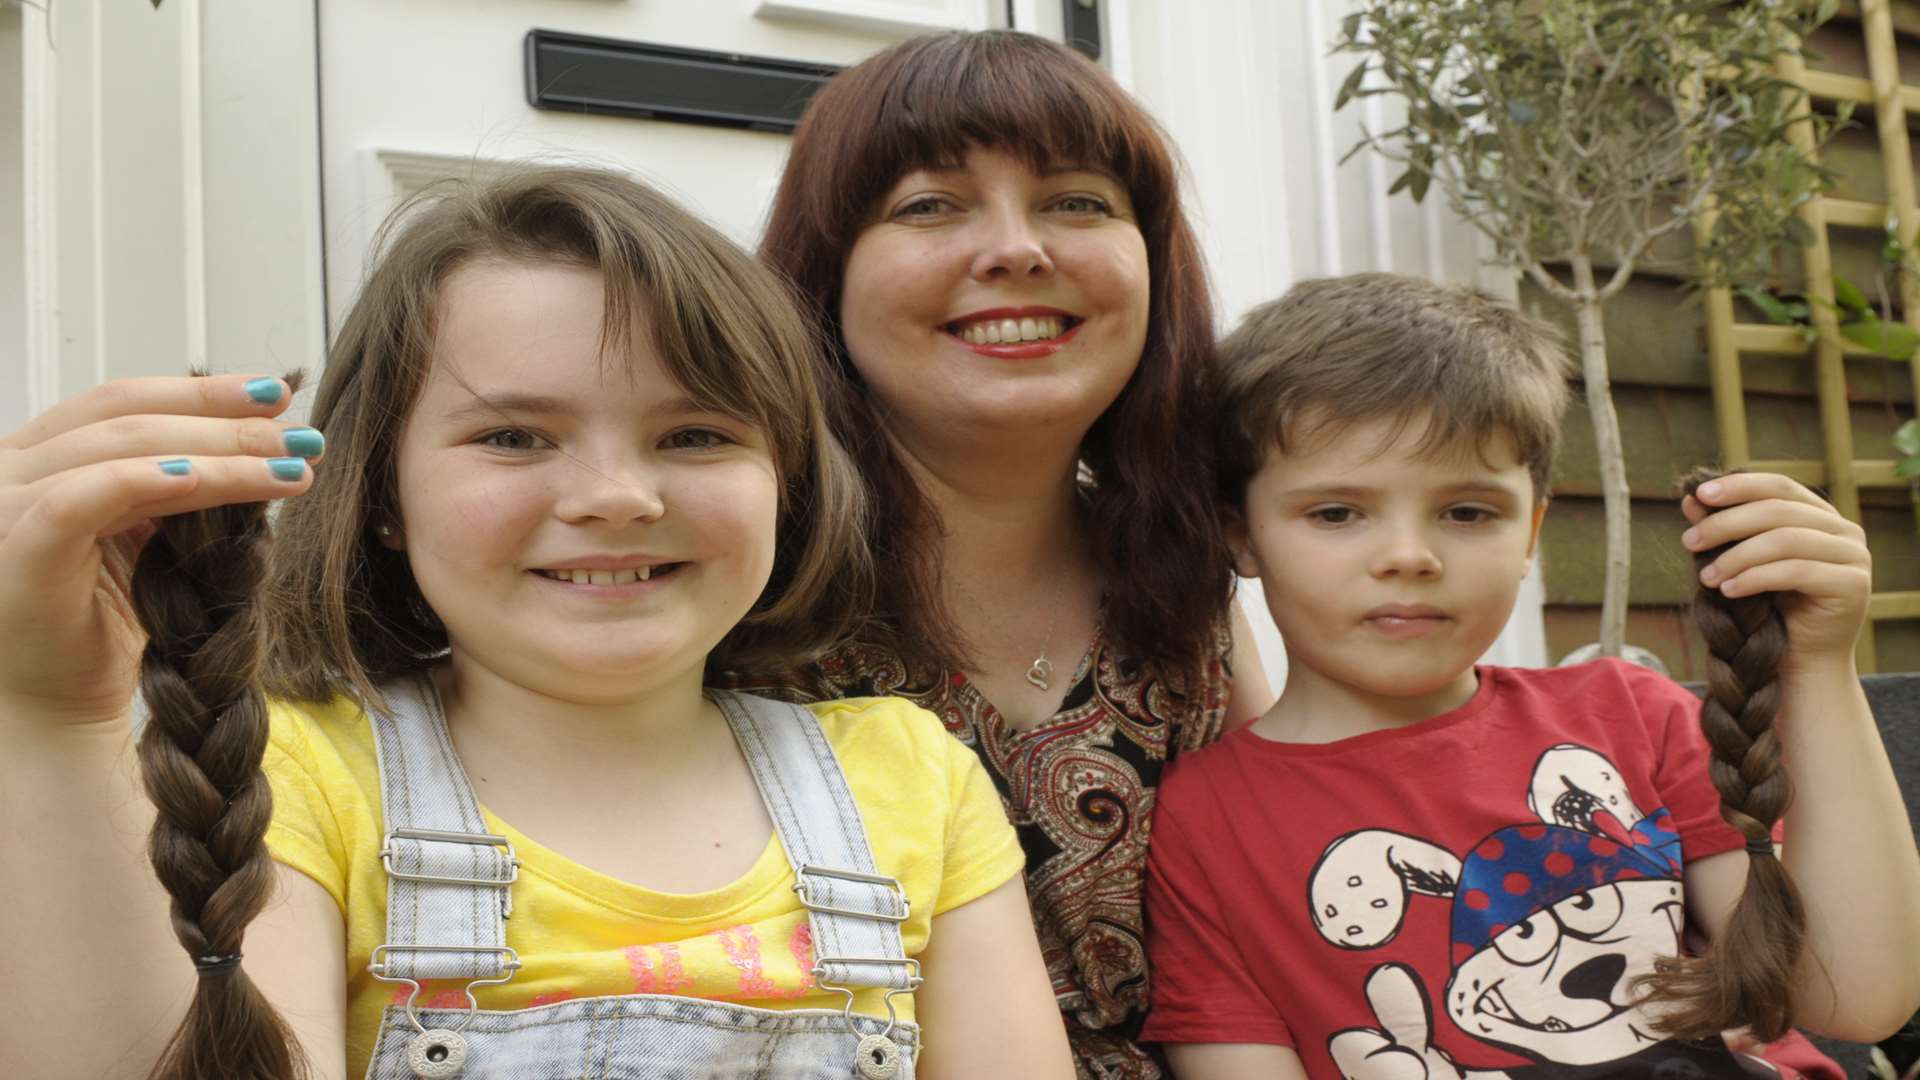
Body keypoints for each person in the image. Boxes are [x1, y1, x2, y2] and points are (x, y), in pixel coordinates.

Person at [0, 167, 1075, 1079]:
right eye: (514, 438)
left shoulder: (914, 780)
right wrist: (50, 714)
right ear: (380, 494)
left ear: (787, 482)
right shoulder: (293, 776)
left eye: (696, 435)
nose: (616, 496)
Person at [1140, 274, 1920, 1079]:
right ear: (1240, 535)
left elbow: (1855, 997)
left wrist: (1820, 664)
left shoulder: (1628, 718)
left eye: (1468, 511)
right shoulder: (1201, 823)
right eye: (1336, 513)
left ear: (1531, 533)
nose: (1410, 556)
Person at [733, 31, 1275, 1077]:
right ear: (822, 276)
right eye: (930, 205)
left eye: (1077, 201)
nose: (1018, 250)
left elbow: (1291, 885)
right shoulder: (736, 586)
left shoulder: (1189, 569)